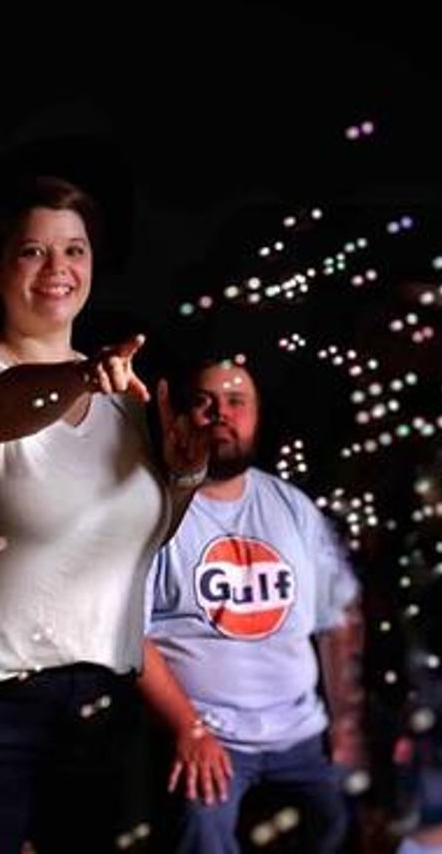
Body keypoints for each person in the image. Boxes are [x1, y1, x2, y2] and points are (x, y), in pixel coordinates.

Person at [0, 174, 208, 853]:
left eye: (76, 250)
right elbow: (7, 405)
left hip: (99, 701)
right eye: (34, 251)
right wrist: (81, 376)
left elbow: (128, 544)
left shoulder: (124, 401)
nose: (59, 269)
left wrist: (183, 476)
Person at [138, 360, 364, 854]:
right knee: (201, 837)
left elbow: (339, 616)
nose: (221, 414)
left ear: (257, 418)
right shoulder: (151, 509)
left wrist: (345, 722)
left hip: (302, 732)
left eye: (236, 402)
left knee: (338, 828)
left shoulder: (292, 506)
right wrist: (189, 728)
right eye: (204, 401)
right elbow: (127, 637)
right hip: (210, 736)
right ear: (178, 415)